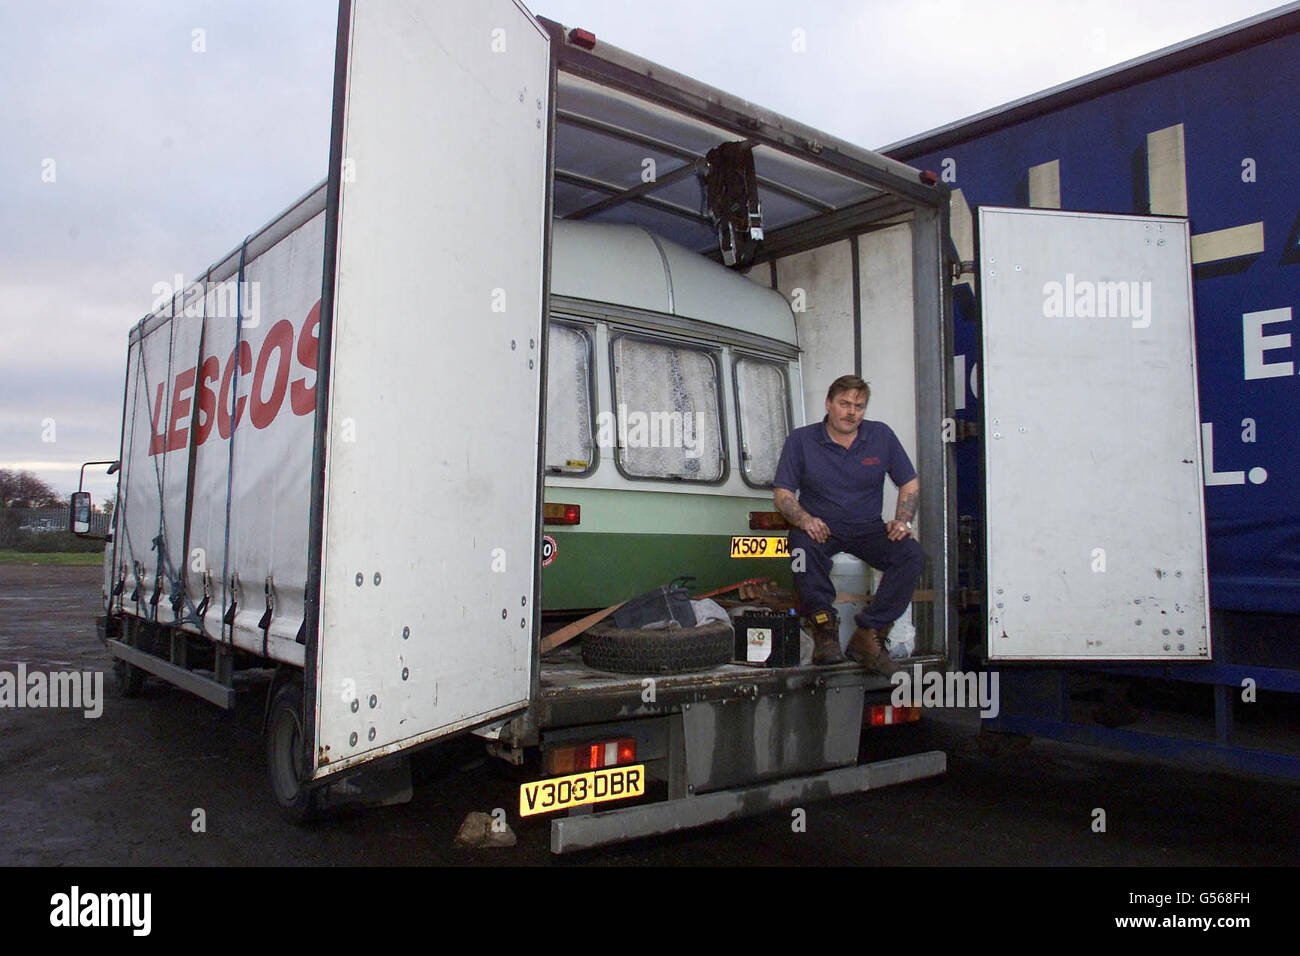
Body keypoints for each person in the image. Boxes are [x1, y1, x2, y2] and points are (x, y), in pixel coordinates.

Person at [772, 375, 925, 673]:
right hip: (821, 528)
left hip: (868, 528)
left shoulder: (881, 436)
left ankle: (869, 634)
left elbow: (910, 483)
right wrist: (804, 519)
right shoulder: (801, 440)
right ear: (829, 404)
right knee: (801, 550)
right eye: (844, 404)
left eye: (859, 406)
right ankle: (824, 630)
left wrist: (903, 521)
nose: (851, 412)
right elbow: (782, 494)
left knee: (911, 554)